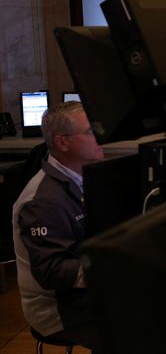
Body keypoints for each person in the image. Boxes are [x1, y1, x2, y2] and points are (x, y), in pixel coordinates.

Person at [12, 101, 104, 350]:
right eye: (90, 132)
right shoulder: (41, 201)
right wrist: (112, 269)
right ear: (62, 142)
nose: (100, 136)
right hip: (57, 310)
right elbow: (53, 271)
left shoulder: (86, 177)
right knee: (140, 323)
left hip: (81, 294)